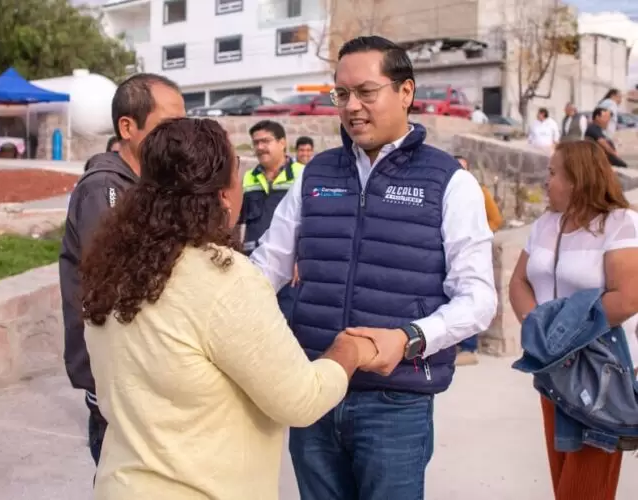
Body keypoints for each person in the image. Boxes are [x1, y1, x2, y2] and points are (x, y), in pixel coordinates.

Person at [249, 36, 497, 500]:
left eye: (366, 92)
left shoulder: (450, 182)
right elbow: (264, 269)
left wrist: (409, 338)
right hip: (316, 390)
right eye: (341, 95)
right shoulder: (314, 176)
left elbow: (478, 300)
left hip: (395, 402)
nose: (352, 107)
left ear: (406, 92)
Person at [80, 117, 379, 499]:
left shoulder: (112, 268)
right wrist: (349, 350)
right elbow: (300, 399)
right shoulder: (222, 278)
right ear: (223, 195)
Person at [60, 73, 185, 467]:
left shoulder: (151, 186)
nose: (180, 138)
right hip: (115, 376)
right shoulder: (105, 189)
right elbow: (119, 281)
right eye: (169, 126)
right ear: (127, 127)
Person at [508, 140, 638, 500]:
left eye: (552, 173)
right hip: (553, 372)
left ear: (577, 180)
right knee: (563, 480)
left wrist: (561, 334)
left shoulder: (621, 224)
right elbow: (518, 281)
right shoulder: (546, 224)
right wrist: (538, 329)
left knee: (583, 490)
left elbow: (627, 298)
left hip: (601, 376)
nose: (544, 181)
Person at [239, 120, 304, 325]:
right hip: (254, 265)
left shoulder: (303, 174)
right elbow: (238, 220)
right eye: (256, 143)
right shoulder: (249, 177)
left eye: (265, 141)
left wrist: (301, 259)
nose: (259, 147)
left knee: (287, 324)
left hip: (289, 269)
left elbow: (310, 222)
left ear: (282, 142)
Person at [453, 155, 503, 366]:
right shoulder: (447, 191)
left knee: (468, 295)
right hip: (450, 249)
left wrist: (478, 235)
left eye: (463, 168)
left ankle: (469, 347)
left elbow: (496, 219)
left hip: (471, 251)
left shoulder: (479, 191)